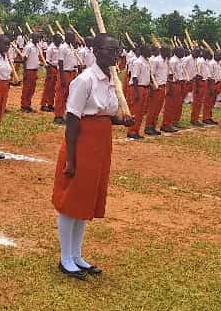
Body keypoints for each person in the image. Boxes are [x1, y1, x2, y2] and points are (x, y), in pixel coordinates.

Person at [52, 33, 132, 278]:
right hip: (82, 143)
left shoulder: (110, 79)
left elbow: (104, 114)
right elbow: (73, 120)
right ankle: (65, 258)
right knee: (71, 199)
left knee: (87, 198)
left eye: (117, 50)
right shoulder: (84, 80)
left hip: (101, 144)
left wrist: (121, 120)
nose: (114, 54)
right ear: (96, 51)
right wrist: (72, 159)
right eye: (109, 50)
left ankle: (77, 255)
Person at [52, 31, 80, 124]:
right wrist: (62, 77)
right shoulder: (63, 48)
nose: (74, 39)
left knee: (69, 95)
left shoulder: (71, 47)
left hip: (72, 73)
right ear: (68, 37)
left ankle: (64, 113)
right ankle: (58, 116)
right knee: (61, 95)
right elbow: (60, 62)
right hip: (64, 73)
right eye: (72, 37)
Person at [143, 46, 169, 135]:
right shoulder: (155, 60)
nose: (169, 53)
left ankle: (153, 126)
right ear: (163, 51)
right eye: (167, 51)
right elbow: (151, 74)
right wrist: (153, 86)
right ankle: (148, 127)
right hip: (156, 87)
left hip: (163, 86)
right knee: (152, 108)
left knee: (158, 108)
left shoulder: (166, 61)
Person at [19, 33, 42, 113]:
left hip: (34, 70)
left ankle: (28, 105)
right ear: (32, 38)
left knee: (32, 89)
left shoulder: (36, 47)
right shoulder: (28, 47)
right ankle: (24, 106)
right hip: (29, 70)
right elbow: (24, 59)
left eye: (39, 37)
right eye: (36, 37)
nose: (38, 39)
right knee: (27, 88)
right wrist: (25, 71)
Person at [40, 33, 61, 112]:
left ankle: (50, 104)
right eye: (59, 39)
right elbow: (47, 61)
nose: (60, 41)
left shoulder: (60, 47)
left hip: (57, 68)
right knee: (48, 87)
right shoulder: (50, 48)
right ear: (54, 40)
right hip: (51, 68)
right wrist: (49, 71)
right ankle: (43, 104)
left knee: (54, 88)